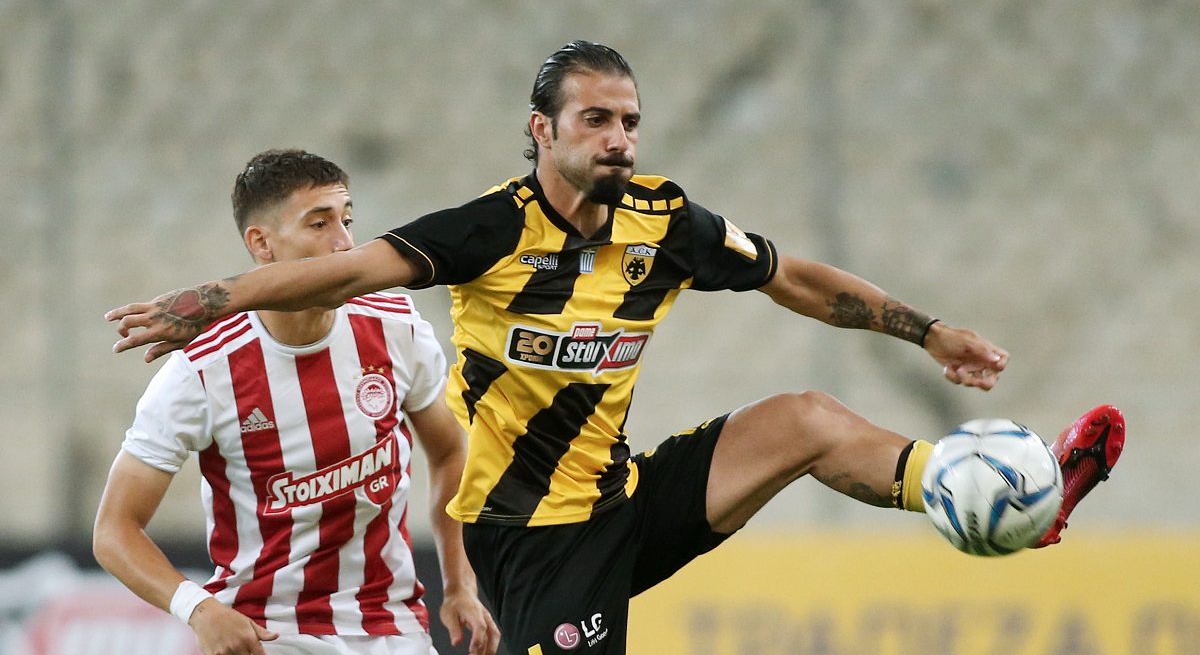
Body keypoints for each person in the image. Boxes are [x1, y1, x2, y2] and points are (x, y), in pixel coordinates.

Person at [107, 43, 1125, 654]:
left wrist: (929, 329)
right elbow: (344, 273)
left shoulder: (664, 222)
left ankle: (990, 500)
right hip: (528, 545)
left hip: (622, 499)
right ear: (542, 131)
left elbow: (794, 279)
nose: (619, 139)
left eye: (630, 122)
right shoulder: (486, 232)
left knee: (807, 420)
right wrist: (210, 300)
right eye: (595, 120)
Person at [94, 150, 500, 655]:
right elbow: (114, 530)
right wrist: (200, 610)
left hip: (393, 626)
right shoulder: (203, 370)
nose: (344, 243)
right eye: (319, 224)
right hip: (270, 632)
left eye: (347, 221)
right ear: (261, 243)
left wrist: (459, 584)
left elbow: (450, 451)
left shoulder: (396, 326)